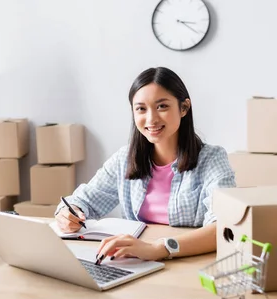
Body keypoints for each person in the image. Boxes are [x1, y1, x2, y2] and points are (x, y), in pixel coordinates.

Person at [55, 67, 235, 263]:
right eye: (141, 108)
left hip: (189, 262)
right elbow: (84, 200)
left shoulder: (212, 159)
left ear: (184, 108)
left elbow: (225, 226)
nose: (151, 119)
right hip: (136, 262)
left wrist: (159, 248)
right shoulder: (124, 159)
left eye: (162, 107)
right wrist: (68, 213)